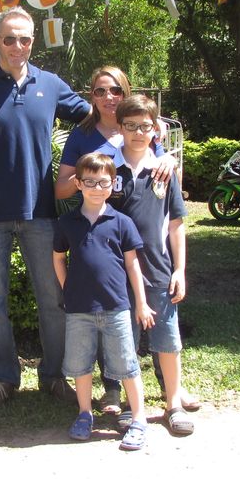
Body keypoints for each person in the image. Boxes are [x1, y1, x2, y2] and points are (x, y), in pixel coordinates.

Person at [0, 7, 91, 410]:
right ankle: (2, 381)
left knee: (54, 300)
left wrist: (146, 129)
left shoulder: (49, 84)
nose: (18, 46)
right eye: (10, 38)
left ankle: (54, 377)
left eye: (26, 39)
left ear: (34, 41)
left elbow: (96, 117)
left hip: (41, 213)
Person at [54, 65, 191, 414]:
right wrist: (91, 177)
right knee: (120, 333)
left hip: (155, 263)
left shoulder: (153, 150)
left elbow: (175, 217)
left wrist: (167, 160)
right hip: (114, 266)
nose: (108, 97)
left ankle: (172, 395)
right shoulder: (91, 146)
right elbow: (66, 191)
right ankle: (120, 395)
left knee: (164, 331)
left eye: (115, 90)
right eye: (100, 91)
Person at [52, 152, 154, 451]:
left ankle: (138, 418)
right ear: (78, 184)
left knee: (126, 363)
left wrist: (142, 303)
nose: (97, 188)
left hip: (117, 307)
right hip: (79, 310)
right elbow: (58, 258)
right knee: (80, 365)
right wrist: (68, 288)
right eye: (90, 182)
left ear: (113, 184)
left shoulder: (122, 222)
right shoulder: (67, 222)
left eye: (103, 182)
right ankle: (85, 414)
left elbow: (133, 265)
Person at [109, 94, 194, 435]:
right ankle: (133, 406)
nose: (138, 133)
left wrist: (179, 269)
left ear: (155, 129)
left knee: (168, 340)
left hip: (159, 271)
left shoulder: (163, 171)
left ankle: (173, 404)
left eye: (145, 126)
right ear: (120, 128)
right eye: (130, 126)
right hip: (117, 275)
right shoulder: (107, 170)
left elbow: (176, 225)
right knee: (124, 342)